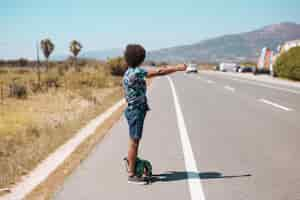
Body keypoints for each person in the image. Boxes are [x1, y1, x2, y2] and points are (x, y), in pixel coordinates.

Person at [123, 44, 187, 184]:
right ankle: (132, 174)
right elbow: (159, 72)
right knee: (134, 142)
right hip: (136, 111)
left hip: (132, 110)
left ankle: (132, 162)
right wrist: (176, 68)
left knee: (134, 140)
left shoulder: (128, 71)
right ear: (139, 59)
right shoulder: (136, 72)